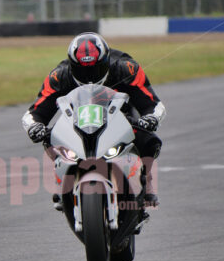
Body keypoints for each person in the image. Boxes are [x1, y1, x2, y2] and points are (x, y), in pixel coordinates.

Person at [21, 32, 166, 207]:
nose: (90, 75)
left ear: (106, 61)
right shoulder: (59, 77)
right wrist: (34, 127)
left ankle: (145, 179)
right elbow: (35, 112)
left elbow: (153, 103)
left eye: (95, 69)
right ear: (73, 66)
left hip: (123, 119)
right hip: (78, 122)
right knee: (49, 137)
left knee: (148, 138)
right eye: (82, 70)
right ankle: (64, 179)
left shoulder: (126, 68)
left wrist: (151, 118)